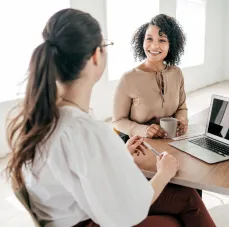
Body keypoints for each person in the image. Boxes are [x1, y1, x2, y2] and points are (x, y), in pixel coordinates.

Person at [6, 8, 215, 227]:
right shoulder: (86, 129)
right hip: (92, 221)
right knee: (186, 203)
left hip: (75, 214)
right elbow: (129, 211)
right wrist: (164, 173)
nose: (154, 45)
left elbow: (81, 171)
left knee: (185, 198)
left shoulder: (40, 117)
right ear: (96, 55)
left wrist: (121, 157)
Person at [112, 14, 189, 141]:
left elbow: (181, 107)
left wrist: (181, 120)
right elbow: (118, 121)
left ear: (171, 45)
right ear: (142, 41)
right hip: (138, 144)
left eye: (162, 40)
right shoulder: (128, 78)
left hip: (170, 140)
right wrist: (144, 130)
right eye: (149, 39)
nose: (154, 46)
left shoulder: (177, 73)